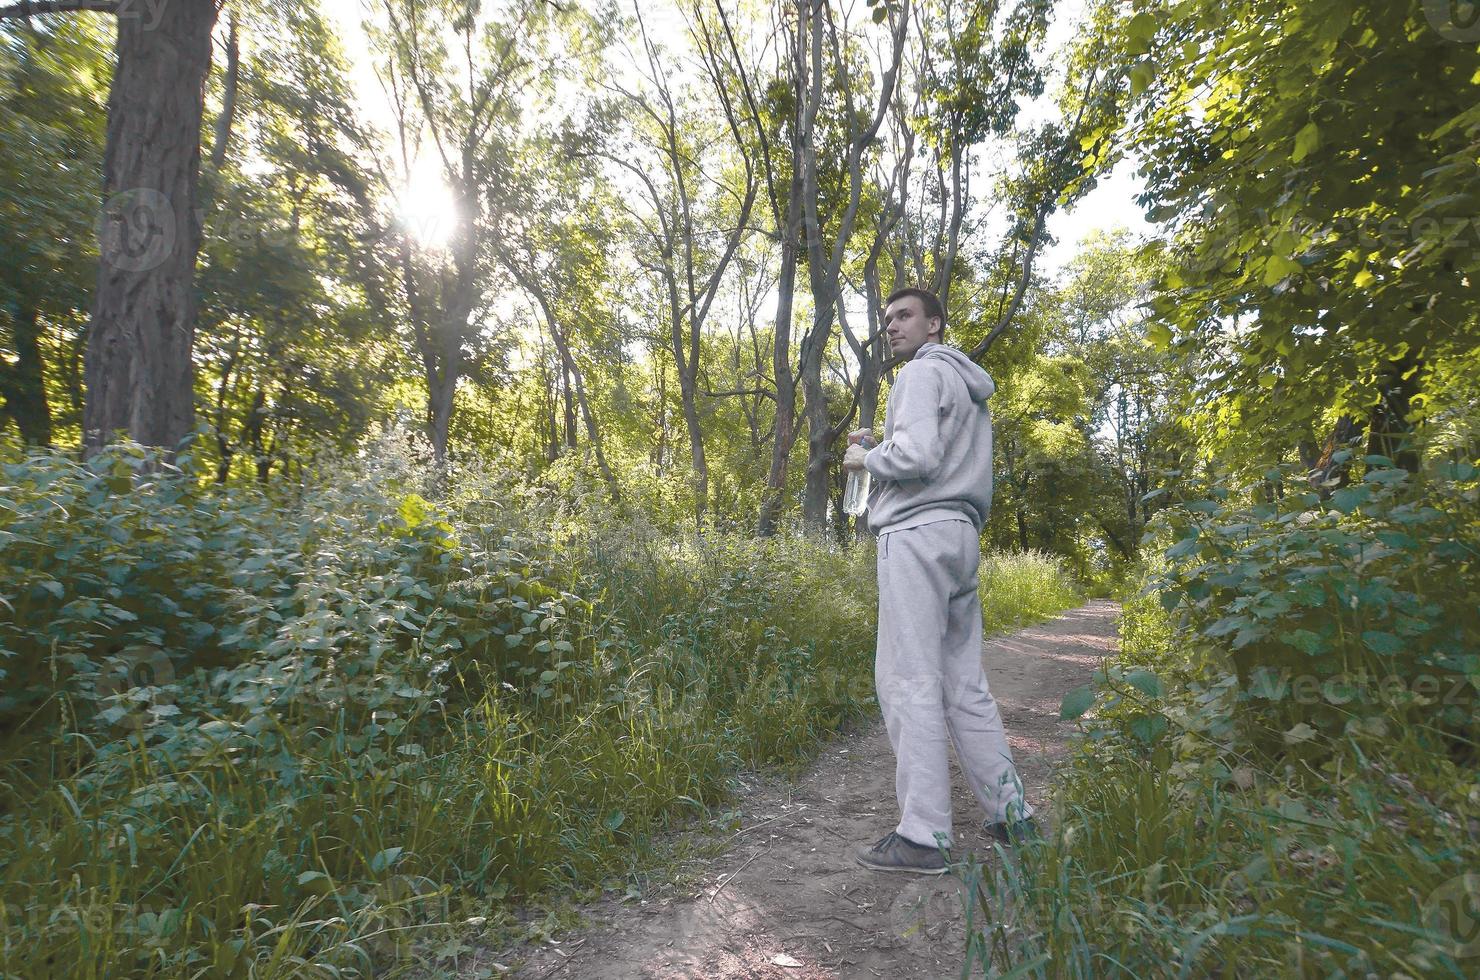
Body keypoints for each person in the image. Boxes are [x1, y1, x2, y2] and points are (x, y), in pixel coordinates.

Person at [843, 286, 1036, 876]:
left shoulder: (921, 375)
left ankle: (924, 837)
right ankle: (1014, 816)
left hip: (917, 536)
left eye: (904, 316)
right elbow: (939, 456)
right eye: (887, 319)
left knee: (907, 679)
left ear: (934, 326)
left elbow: (919, 457)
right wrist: (889, 449)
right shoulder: (970, 389)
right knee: (963, 683)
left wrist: (866, 460)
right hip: (960, 534)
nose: (892, 327)